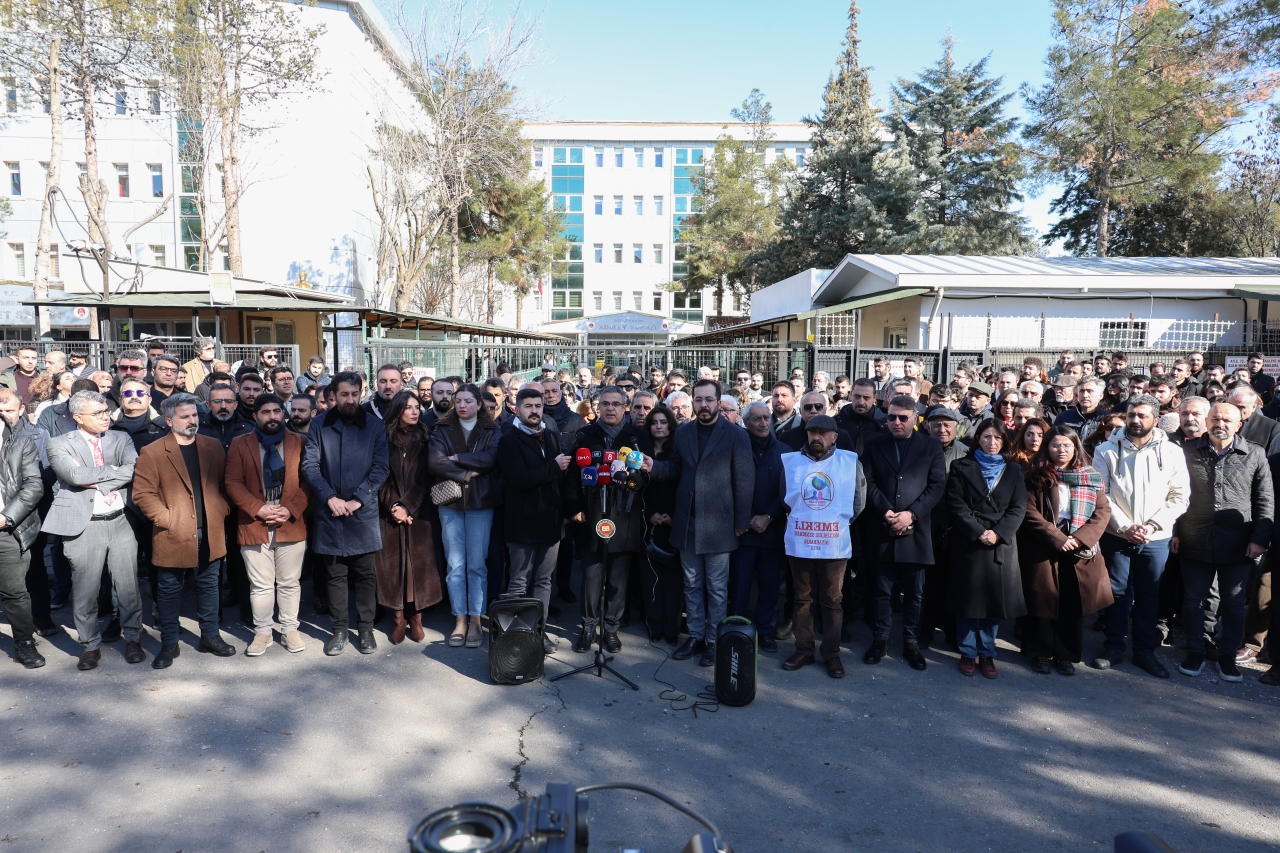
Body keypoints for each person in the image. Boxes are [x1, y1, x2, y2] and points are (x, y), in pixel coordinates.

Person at [649, 379, 754, 668]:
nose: (703, 405)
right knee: (692, 585)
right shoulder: (683, 433)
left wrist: (742, 520)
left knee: (717, 588)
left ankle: (713, 641)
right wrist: (653, 467)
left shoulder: (735, 435)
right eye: (699, 400)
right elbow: (674, 468)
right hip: (688, 524)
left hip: (721, 525)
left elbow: (745, 480)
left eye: (709, 399)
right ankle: (695, 636)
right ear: (693, 402)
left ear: (719, 403)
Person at [43, 390, 145, 670]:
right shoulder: (58, 443)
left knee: (127, 585)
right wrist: (114, 472)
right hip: (83, 523)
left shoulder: (120, 437)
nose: (105, 417)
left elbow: (135, 469)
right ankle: (90, 646)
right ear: (78, 417)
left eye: (105, 411)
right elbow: (74, 476)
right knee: (85, 588)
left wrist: (96, 476)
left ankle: (133, 638)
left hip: (120, 519)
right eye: (97, 413)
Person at [132, 394, 235, 669]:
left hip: (210, 530)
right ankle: (169, 643)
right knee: (167, 590)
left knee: (209, 585)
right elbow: (142, 494)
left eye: (194, 415)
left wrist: (221, 509)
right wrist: (167, 519)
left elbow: (225, 484)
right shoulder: (152, 452)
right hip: (172, 533)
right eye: (185, 417)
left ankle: (209, 636)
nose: (193, 421)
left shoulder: (212, 446)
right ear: (169, 421)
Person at [1174, 402, 1273, 683]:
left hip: (1238, 543)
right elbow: (1174, 492)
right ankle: (1195, 650)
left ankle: (1227, 654)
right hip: (1195, 537)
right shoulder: (1187, 452)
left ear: (1239, 424)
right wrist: (1175, 532)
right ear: (1206, 421)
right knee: (1194, 599)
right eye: (1215, 418)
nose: (1221, 424)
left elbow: (1264, 500)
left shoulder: (1254, 453)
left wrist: (1259, 539)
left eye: (1228, 420)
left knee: (1232, 602)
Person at [1092, 394, 1190, 678]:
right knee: (1116, 593)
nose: (1136, 420)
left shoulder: (1172, 452)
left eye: (1142, 415)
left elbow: (1180, 496)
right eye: (1132, 414)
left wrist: (1152, 526)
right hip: (1117, 535)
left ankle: (1145, 651)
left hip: (1155, 537)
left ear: (1155, 419)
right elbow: (1103, 494)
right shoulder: (1105, 450)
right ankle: (1113, 646)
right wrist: (1125, 527)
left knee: (1149, 595)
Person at [302, 371, 390, 657]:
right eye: (344, 394)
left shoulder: (375, 426)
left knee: (366, 574)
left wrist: (358, 500)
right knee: (334, 574)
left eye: (354, 394)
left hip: (361, 512)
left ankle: (365, 629)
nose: (350, 399)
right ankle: (339, 629)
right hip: (330, 512)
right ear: (333, 396)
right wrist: (329, 497)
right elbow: (310, 466)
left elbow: (381, 468)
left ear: (361, 392)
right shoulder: (319, 425)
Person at [861, 395, 947, 671]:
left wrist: (911, 514)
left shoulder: (931, 446)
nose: (896, 422)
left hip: (917, 530)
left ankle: (910, 641)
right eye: (891, 417)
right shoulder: (874, 445)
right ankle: (880, 639)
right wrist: (886, 511)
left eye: (902, 418)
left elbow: (936, 485)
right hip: (882, 526)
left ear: (915, 419)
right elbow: (867, 481)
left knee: (914, 593)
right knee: (881, 590)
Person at [1019, 426, 1113, 676]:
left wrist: (1081, 539)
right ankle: (1039, 652)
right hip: (1045, 543)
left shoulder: (1090, 476)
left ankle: (1065, 655)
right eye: (1055, 445)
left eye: (1067, 445)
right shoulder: (1035, 476)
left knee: (1073, 603)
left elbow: (1102, 512)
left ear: (1075, 448)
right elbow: (1029, 512)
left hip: (1079, 545)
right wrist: (1056, 537)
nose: (1061, 450)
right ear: (1047, 448)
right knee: (1042, 600)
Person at [778, 415, 866, 678]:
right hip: (800, 542)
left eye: (822, 433)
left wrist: (834, 523)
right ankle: (804, 649)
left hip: (833, 543)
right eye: (812, 432)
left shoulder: (849, 463)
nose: (816, 437)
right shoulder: (792, 463)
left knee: (832, 600)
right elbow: (785, 499)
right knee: (802, 598)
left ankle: (832, 653)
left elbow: (858, 504)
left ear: (834, 437)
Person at [565, 385, 650, 653]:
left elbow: (646, 474)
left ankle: (611, 628)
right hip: (591, 515)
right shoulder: (585, 435)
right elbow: (570, 477)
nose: (610, 408)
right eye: (605, 404)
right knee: (591, 577)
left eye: (616, 404)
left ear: (625, 407)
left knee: (617, 579)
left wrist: (635, 480)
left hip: (624, 517)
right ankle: (588, 627)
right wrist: (574, 506)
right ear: (597, 407)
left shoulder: (636, 438)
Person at [225, 394, 311, 657]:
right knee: (260, 584)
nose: (272, 416)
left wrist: (289, 509)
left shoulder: (300, 442)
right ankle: (263, 631)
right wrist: (258, 508)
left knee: (289, 581)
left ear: (283, 414)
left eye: (276, 411)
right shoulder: (240, 444)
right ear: (255, 416)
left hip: (290, 522)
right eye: (266, 412)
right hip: (254, 523)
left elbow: (310, 482)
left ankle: (289, 628)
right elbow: (232, 483)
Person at [943, 419, 1027, 679]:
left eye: (998, 438)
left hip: (1000, 544)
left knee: (993, 602)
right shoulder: (961, 466)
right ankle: (968, 652)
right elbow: (956, 505)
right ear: (977, 438)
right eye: (987, 437)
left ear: (1005, 441)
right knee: (968, 601)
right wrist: (979, 532)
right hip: (969, 541)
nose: (992, 443)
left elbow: (1018, 507)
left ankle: (988, 652)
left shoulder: (1014, 470)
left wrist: (998, 533)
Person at [427, 383, 499, 650]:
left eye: (468, 401)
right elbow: (435, 462)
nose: (462, 405)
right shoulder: (441, 429)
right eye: (458, 401)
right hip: (451, 503)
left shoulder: (492, 430)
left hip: (481, 503)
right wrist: (468, 472)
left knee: (477, 565)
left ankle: (476, 620)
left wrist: (457, 457)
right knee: (455, 565)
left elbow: (492, 459)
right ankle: (460, 619)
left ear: (479, 404)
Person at [497, 387, 567, 653]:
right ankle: (515, 639)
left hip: (551, 522)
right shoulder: (508, 439)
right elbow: (517, 480)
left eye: (538, 406)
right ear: (517, 409)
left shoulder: (551, 435)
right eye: (529, 406)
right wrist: (553, 467)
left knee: (544, 582)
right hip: (522, 525)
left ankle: (539, 632)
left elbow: (558, 479)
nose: (535, 410)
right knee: (518, 582)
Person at [376, 390, 442, 646]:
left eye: (417, 407)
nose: (415, 411)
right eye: (409, 407)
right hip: (390, 514)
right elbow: (379, 476)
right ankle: (398, 618)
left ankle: (416, 617)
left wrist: (407, 506)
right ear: (397, 410)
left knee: (418, 567)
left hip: (420, 514)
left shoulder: (427, 438)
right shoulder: (383, 438)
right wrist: (393, 505)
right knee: (393, 567)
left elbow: (426, 479)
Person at [730, 402, 787, 654]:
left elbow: (788, 491)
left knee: (769, 585)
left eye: (766, 418)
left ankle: (766, 632)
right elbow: (729, 485)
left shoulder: (785, 452)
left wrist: (769, 516)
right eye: (757, 419)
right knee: (739, 586)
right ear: (746, 422)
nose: (763, 423)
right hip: (743, 531)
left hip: (772, 531)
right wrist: (748, 517)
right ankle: (738, 631)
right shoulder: (735, 449)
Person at [0, 390, 47, 668]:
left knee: (14, 591)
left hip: (7, 528)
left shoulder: (21, 443)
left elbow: (34, 485)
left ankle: (24, 642)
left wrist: (7, 517)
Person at [642, 405, 682, 643]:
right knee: (650, 579)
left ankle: (672, 629)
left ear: (670, 425)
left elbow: (683, 485)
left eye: (663, 422)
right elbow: (636, 490)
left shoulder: (678, 452)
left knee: (673, 581)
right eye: (654, 422)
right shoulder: (641, 451)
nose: (658, 426)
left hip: (673, 522)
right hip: (649, 523)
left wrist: (672, 515)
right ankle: (654, 627)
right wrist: (649, 514)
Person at [109, 378, 168, 452]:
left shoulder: (165, 425)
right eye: (128, 393)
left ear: (149, 400)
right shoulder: (107, 426)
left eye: (140, 393)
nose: (134, 397)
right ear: (121, 400)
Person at [835, 378, 889, 453]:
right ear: (851, 395)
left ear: (874, 398)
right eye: (857, 396)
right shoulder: (836, 423)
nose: (861, 402)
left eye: (866, 397)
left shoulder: (886, 423)